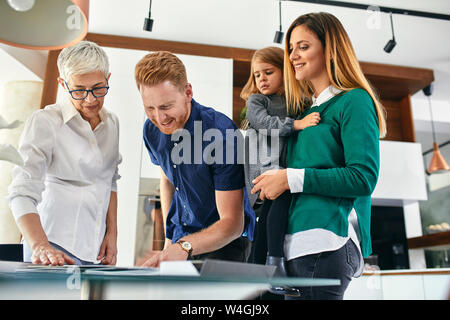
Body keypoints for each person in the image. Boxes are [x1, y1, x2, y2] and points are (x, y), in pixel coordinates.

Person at [251, 12, 387, 300]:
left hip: (324, 243)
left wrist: (289, 178)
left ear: (330, 49)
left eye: (303, 46)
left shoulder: (354, 100)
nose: (293, 56)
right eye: (290, 49)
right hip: (293, 249)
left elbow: (363, 178)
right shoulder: (303, 113)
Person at [135, 51, 255, 267]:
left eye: (165, 107)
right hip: (181, 241)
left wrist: (184, 247)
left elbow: (233, 224)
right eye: (149, 108)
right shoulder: (151, 130)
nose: (160, 118)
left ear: (188, 92)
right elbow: (167, 180)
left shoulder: (221, 134)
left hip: (223, 247)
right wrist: (170, 241)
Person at [7, 41, 122, 266]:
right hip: (51, 247)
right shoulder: (46, 122)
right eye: (79, 90)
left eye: (98, 88)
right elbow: (21, 194)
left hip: (95, 252)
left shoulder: (112, 123)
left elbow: (111, 180)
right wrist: (40, 245)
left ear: (108, 78)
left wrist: (112, 234)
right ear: (63, 83)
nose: (90, 99)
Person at [241, 47, 320, 295]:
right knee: (279, 202)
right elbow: (263, 123)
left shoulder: (295, 102)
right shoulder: (257, 101)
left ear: (284, 73)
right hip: (262, 171)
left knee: (267, 220)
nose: (261, 79)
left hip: (281, 169)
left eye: (268, 72)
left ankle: (260, 270)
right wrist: (296, 124)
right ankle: (275, 265)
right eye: (257, 75)